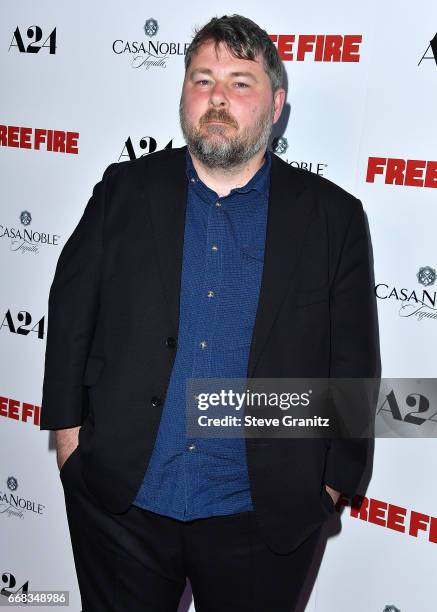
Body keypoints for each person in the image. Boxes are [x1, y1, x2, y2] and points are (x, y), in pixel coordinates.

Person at [40, 14, 379, 612]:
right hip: (122, 507)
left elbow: (352, 363)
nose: (217, 96)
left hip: (261, 519)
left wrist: (330, 486)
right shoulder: (124, 189)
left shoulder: (333, 218)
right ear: (184, 94)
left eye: (239, 82)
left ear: (275, 106)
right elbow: (70, 313)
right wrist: (69, 443)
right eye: (202, 79)